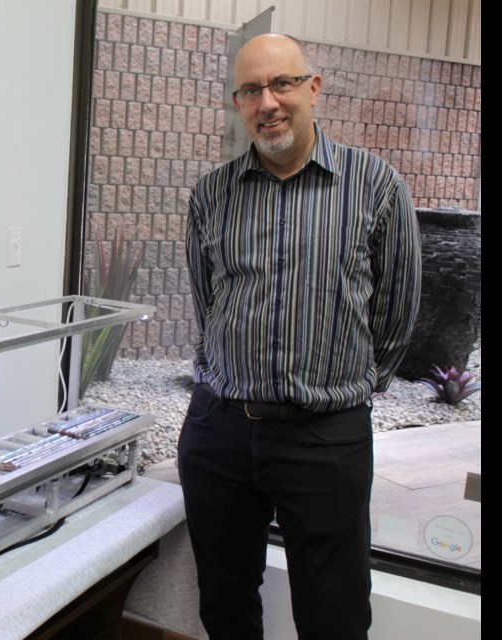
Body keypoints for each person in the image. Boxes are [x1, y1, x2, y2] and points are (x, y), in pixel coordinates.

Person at [178, 34, 421, 639]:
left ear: (313, 89)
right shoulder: (212, 195)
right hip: (221, 434)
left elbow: (398, 312)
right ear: (238, 103)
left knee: (335, 615)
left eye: (282, 83)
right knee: (225, 608)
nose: (269, 102)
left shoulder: (376, 186)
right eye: (252, 90)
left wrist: (346, 390)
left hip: (325, 439)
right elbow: (210, 305)